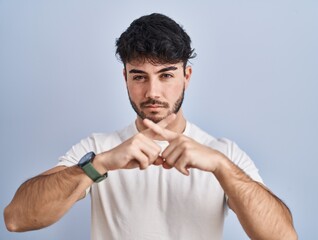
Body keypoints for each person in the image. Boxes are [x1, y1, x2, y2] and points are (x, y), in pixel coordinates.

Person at [4, 13, 297, 240]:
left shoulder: (222, 153)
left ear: (187, 76)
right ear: (125, 79)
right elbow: (16, 219)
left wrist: (221, 166)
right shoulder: (97, 150)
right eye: (139, 76)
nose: (153, 92)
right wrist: (101, 164)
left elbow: (283, 236)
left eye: (166, 75)